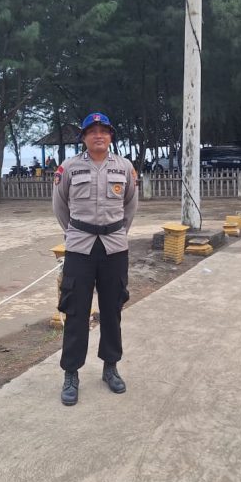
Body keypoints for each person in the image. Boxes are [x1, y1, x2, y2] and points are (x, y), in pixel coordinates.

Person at [52, 112, 138, 406]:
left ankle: (110, 367)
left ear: (111, 136)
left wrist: (118, 233)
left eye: (104, 131)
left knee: (112, 310)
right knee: (76, 311)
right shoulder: (68, 168)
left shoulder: (125, 167)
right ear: (84, 137)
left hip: (114, 248)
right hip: (80, 248)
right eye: (92, 131)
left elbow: (130, 206)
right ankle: (71, 374)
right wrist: (75, 233)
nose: (98, 135)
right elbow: (60, 206)